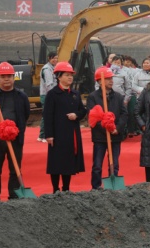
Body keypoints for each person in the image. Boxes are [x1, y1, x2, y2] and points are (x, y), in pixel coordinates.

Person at [0, 62, 30, 202]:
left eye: (9, 76)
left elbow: (26, 114)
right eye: (3, 76)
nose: (6, 79)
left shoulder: (21, 96)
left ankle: (13, 198)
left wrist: (13, 129)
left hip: (16, 139)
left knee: (15, 169)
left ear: (14, 77)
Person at [43, 61, 87, 193]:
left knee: (68, 161)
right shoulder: (52, 94)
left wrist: (76, 115)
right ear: (59, 76)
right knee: (56, 162)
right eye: (67, 75)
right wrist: (49, 135)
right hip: (57, 133)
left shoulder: (75, 93)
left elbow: (82, 111)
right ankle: (55, 189)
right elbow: (48, 115)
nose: (70, 77)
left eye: (71, 75)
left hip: (71, 133)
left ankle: (66, 188)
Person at [86, 67, 128, 190]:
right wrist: (106, 129)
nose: (111, 81)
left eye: (111, 78)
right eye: (108, 78)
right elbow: (93, 116)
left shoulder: (119, 97)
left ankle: (113, 186)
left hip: (115, 136)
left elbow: (124, 114)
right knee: (97, 165)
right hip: (100, 137)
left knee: (114, 163)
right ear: (99, 81)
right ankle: (96, 186)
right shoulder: (93, 97)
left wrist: (117, 128)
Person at [37, 52, 58, 142]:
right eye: (53, 58)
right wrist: (53, 96)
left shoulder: (53, 68)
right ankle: (44, 135)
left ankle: (42, 135)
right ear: (49, 58)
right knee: (47, 115)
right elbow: (49, 85)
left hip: (49, 94)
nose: (55, 60)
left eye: (56, 58)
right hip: (47, 95)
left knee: (47, 115)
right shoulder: (47, 69)